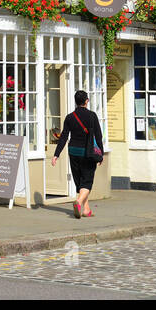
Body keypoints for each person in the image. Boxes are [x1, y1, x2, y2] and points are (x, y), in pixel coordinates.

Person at [51, 90, 105, 218]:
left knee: (79, 181)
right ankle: (79, 202)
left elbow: (64, 136)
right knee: (87, 181)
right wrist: (101, 153)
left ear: (76, 102)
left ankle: (86, 210)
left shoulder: (70, 117)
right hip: (87, 152)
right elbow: (98, 136)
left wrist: (56, 154)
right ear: (86, 101)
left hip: (73, 152)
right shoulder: (92, 116)